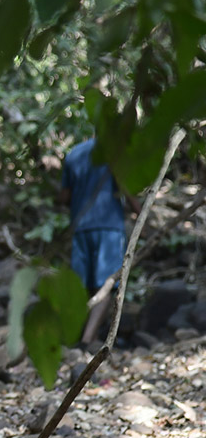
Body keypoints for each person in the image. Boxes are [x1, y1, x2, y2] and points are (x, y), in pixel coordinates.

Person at [59, 138, 139, 343]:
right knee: (106, 285)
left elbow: (64, 197)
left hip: (80, 227)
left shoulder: (73, 154)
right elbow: (126, 188)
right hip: (109, 227)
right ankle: (87, 339)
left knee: (84, 286)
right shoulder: (114, 152)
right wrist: (142, 216)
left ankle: (79, 336)